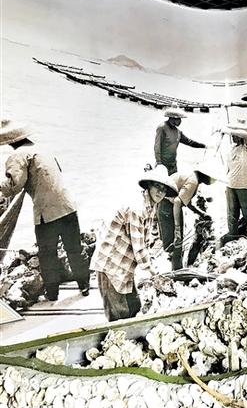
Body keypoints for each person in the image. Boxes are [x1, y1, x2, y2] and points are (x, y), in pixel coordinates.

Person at [0, 118, 90, 300]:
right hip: (68, 206)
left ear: (9, 141)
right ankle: (84, 285)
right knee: (74, 248)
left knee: (47, 254)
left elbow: (14, 185)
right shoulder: (42, 149)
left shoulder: (17, 156)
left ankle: (53, 293)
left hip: (46, 213)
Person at [90, 165, 178, 321]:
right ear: (149, 185)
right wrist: (154, 274)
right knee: (119, 317)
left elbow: (145, 241)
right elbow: (139, 248)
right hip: (110, 265)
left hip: (124, 266)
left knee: (135, 308)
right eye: (157, 187)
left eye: (164, 189)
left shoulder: (151, 206)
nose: (160, 192)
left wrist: (151, 265)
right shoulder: (137, 208)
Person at [158, 160, 220, 270]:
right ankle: (177, 271)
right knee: (176, 243)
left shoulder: (191, 176)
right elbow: (178, 202)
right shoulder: (193, 182)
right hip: (168, 207)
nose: (213, 181)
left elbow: (187, 202)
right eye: (212, 178)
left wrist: (201, 213)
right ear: (205, 176)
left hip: (165, 205)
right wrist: (177, 228)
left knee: (173, 242)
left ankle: (175, 266)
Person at [220, 119, 247, 246]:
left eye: (235, 135)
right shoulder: (232, 149)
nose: (233, 137)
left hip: (245, 186)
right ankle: (233, 237)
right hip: (231, 185)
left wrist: (228, 130)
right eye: (233, 135)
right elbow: (229, 168)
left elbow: (246, 135)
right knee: (231, 215)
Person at [154, 107, 207, 175]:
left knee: (174, 180)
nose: (180, 121)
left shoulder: (178, 132)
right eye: (179, 119)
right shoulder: (162, 127)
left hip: (173, 164)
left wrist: (205, 146)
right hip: (162, 165)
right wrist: (158, 162)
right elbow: (157, 146)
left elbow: (189, 142)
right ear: (172, 118)